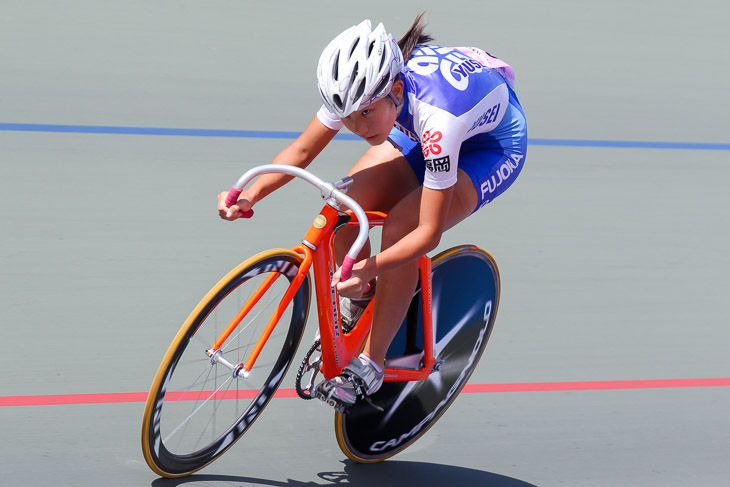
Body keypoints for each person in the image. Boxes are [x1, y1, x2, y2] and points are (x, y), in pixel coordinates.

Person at [218, 13, 527, 408]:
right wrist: (250, 195)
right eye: (345, 116)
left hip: (490, 147)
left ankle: (372, 363)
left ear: (396, 90)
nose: (356, 125)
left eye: (365, 113)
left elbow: (428, 234)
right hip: (419, 120)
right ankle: (360, 304)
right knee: (344, 206)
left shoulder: (437, 122)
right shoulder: (359, 94)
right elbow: (301, 151)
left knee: (402, 225)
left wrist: (368, 267)